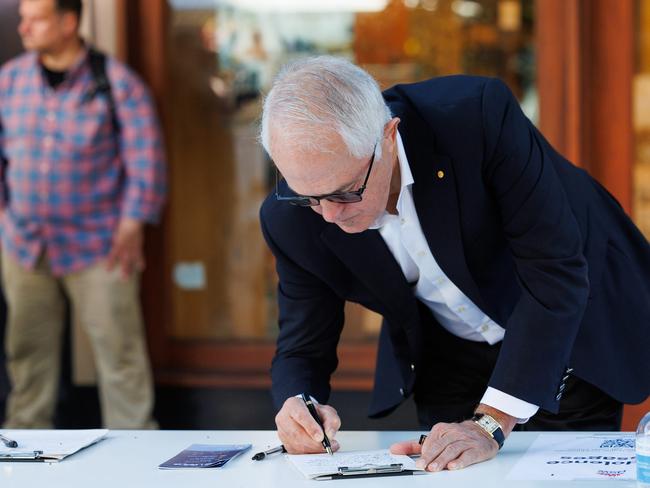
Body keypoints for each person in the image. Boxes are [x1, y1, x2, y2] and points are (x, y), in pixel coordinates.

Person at [259, 56, 650, 471]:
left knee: (566, 477)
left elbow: (554, 270)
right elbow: (303, 342)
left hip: (564, 327)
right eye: (308, 197)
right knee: (448, 469)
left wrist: (492, 423)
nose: (329, 215)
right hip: (447, 351)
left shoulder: (475, 117)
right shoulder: (291, 216)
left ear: (388, 137)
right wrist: (298, 405)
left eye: (345, 193)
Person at [0, 0, 166, 428]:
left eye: (35, 19)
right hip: (23, 245)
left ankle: (137, 451)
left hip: (100, 246)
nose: (24, 28)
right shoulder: (9, 81)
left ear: (69, 21)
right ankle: (23, 447)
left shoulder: (116, 83)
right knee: (27, 356)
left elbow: (145, 158)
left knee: (119, 355)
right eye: (22, 18)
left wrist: (132, 224)